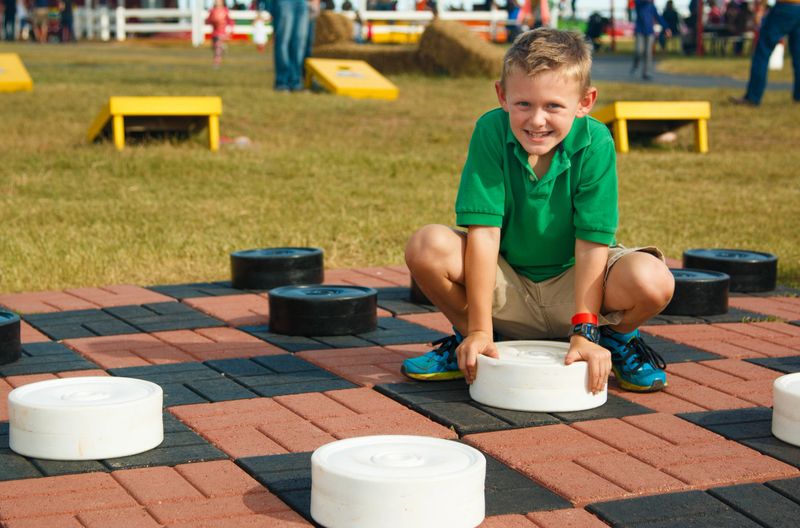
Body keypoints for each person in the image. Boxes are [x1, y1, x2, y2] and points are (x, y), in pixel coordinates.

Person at [401, 28, 674, 394]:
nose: (537, 120)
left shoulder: (596, 143)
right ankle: (475, 340)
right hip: (509, 284)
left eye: (554, 106)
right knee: (426, 245)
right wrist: (480, 328)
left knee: (654, 280)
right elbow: (484, 234)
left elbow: (591, 243)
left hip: (574, 284)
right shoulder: (490, 131)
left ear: (585, 102)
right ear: (502, 95)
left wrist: (585, 328)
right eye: (524, 104)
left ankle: (613, 340)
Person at [731, 0, 799, 105]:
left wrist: (760, 8)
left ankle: (753, 96)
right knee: (798, 56)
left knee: (762, 52)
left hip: (785, 6)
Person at [270, 0, 308, 91]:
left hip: (302, 2)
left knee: (299, 42)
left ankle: (296, 82)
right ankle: (282, 82)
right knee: (283, 41)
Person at [631, 0, 669, 80]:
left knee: (648, 53)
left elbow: (658, 17)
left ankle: (646, 73)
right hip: (640, 31)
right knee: (639, 51)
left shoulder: (652, 7)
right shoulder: (639, 4)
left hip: (649, 32)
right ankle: (636, 64)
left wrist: (666, 28)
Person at [205, 0, 233, 67]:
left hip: (221, 33)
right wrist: (212, 20)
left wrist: (230, 30)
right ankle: (222, 48)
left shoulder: (225, 10)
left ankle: (216, 63)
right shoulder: (212, 11)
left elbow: (230, 21)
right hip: (214, 33)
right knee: (214, 47)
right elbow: (208, 21)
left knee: (217, 49)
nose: (217, 2)